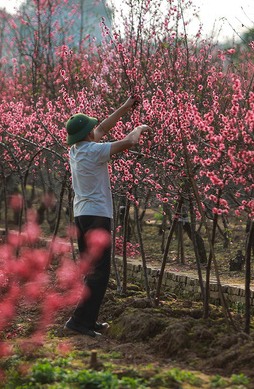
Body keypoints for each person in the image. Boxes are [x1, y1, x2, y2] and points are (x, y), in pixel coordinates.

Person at [64, 96, 150, 337]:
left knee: (92, 270)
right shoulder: (94, 151)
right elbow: (130, 142)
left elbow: (101, 128)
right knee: (99, 272)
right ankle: (79, 321)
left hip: (82, 215)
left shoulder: (76, 150)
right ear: (87, 134)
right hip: (97, 217)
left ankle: (87, 320)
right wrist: (140, 127)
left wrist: (125, 106)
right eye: (91, 128)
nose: (96, 128)